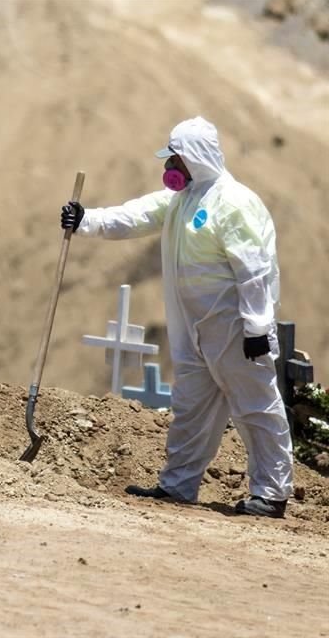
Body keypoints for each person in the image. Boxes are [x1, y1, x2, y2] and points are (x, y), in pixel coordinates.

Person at [61, 116, 293, 518]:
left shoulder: (234, 203)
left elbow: (253, 269)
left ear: (196, 158)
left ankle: (271, 493)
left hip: (235, 327)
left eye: (175, 159)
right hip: (194, 330)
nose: (169, 168)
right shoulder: (179, 201)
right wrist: (86, 220)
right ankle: (178, 485)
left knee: (255, 405)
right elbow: (132, 216)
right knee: (191, 408)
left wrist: (257, 326)